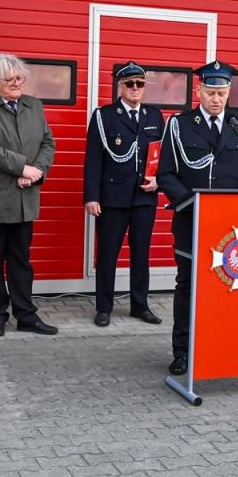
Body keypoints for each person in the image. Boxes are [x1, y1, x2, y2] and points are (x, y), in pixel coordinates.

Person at [157, 60, 238, 375]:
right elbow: (166, 174)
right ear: (199, 91)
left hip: (231, 228)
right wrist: (192, 203)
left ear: (229, 92)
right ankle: (183, 352)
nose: (216, 99)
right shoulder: (179, 124)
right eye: (210, 92)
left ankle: (221, 345)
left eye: (222, 92)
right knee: (188, 286)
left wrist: (235, 206)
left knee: (226, 288)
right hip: (192, 221)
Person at [0, 52, 58, 338]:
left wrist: (37, 171)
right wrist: (22, 167)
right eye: (10, 79)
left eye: (19, 78)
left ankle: (26, 314)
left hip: (24, 199)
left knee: (21, 261)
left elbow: (47, 142)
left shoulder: (34, 105)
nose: (17, 83)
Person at [83, 60, 164, 328]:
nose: (135, 88)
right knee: (108, 254)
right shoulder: (104, 116)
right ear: (120, 86)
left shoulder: (154, 116)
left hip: (144, 197)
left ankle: (140, 305)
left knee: (141, 254)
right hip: (113, 197)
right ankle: (104, 307)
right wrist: (91, 196)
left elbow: (162, 156)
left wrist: (158, 182)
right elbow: (93, 159)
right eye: (129, 84)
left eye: (139, 84)